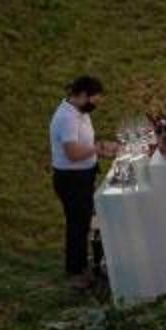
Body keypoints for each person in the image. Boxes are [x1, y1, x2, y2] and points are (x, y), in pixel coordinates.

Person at [49, 73, 103, 283]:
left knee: (83, 222)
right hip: (72, 179)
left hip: (83, 175)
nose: (94, 106)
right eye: (93, 101)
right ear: (81, 95)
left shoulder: (80, 112)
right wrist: (97, 149)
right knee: (77, 225)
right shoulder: (67, 118)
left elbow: (84, 144)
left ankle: (81, 264)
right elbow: (72, 153)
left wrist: (97, 150)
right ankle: (75, 271)